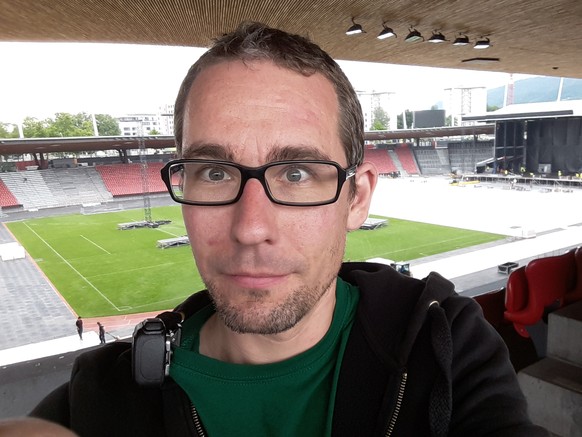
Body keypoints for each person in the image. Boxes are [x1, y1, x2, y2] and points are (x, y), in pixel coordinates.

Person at [31, 22, 549, 436]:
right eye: (215, 173)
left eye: (297, 173)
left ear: (357, 198)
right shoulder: (99, 397)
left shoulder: (445, 342)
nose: (251, 228)